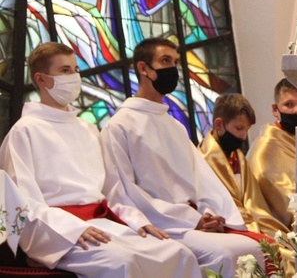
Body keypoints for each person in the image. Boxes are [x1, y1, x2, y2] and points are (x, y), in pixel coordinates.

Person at [0, 42, 201, 277]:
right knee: (121, 262)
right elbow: (23, 201)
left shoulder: (88, 128)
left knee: (178, 254)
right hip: (58, 232)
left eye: (76, 70)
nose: (74, 76)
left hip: (101, 224)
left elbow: (112, 188)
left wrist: (137, 220)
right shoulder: (24, 131)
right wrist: (71, 229)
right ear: (42, 79)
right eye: (65, 71)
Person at [100, 37, 264, 276]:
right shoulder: (119, 126)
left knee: (253, 248)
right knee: (226, 254)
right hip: (163, 224)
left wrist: (209, 214)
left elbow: (203, 180)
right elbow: (126, 192)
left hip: (193, 221)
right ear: (143, 68)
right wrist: (191, 219)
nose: (173, 69)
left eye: (175, 62)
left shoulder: (174, 126)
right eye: (165, 61)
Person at [246, 78, 297, 237]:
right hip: (282, 228)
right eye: (289, 104)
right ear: (275, 109)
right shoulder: (266, 148)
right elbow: (282, 200)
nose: (296, 111)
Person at [198, 93, 256, 227]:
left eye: (247, 130)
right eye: (239, 128)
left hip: (250, 219)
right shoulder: (202, 159)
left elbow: (255, 203)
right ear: (219, 125)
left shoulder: (238, 157)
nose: (243, 137)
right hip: (226, 224)